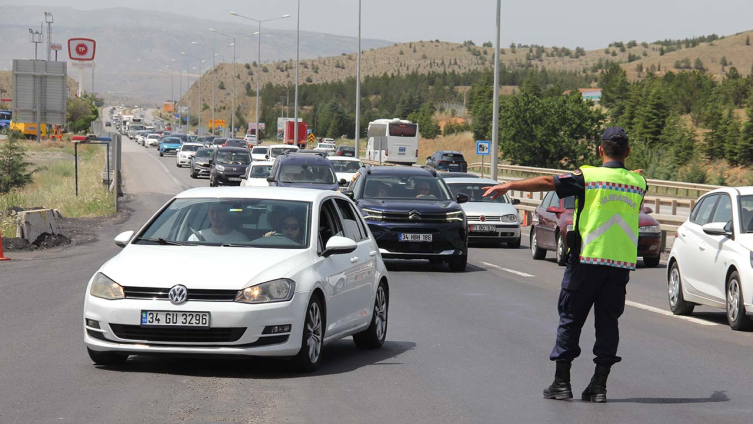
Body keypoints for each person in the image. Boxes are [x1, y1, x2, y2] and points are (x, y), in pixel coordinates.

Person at [483, 127, 647, 403]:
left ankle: (562, 383)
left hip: (586, 260)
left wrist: (510, 185)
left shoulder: (588, 177)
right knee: (608, 325)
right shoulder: (638, 183)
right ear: (628, 152)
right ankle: (599, 386)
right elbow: (638, 179)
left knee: (570, 320)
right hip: (619, 266)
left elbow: (549, 181)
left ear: (600, 150)